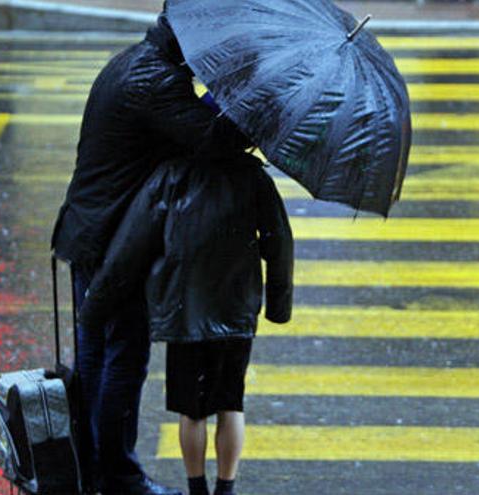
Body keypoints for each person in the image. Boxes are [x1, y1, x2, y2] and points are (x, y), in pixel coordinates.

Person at [50, 10, 248, 495]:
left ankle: (97, 472)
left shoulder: (136, 63)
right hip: (112, 245)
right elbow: (217, 140)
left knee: (97, 356)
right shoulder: (155, 81)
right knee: (122, 357)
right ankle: (118, 477)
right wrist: (251, 97)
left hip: (92, 233)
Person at [77, 145, 294, 495]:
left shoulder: (172, 175)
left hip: (184, 310)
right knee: (230, 403)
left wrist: (95, 305)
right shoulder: (254, 177)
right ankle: (226, 488)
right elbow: (279, 242)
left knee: (191, 410)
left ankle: (196, 488)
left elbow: (132, 244)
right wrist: (278, 306)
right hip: (236, 309)